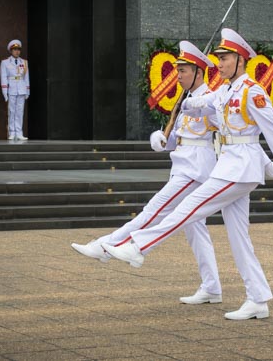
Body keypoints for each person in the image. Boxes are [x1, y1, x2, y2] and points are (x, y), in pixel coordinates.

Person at [104, 28, 273, 320]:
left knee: (189, 207)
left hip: (239, 167)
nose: (219, 64)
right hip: (230, 164)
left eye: (225, 58)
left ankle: (140, 246)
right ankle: (258, 298)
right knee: (238, 237)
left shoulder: (252, 91)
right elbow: (201, 104)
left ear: (241, 59)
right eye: (218, 58)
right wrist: (186, 103)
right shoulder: (225, 90)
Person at [72, 41, 239, 305]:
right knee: (196, 232)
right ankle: (212, 287)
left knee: (154, 211)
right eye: (178, 69)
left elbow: (231, 128)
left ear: (198, 72)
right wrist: (160, 139)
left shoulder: (210, 100)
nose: (179, 74)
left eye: (183, 70)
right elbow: (176, 138)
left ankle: (105, 246)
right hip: (182, 166)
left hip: (195, 171)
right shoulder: (183, 100)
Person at [0, 40, 30, 140]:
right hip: (11, 88)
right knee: (12, 111)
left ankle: (19, 132)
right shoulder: (5, 62)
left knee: (20, 111)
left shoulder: (24, 62)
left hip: (21, 88)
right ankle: (12, 132)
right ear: (11, 51)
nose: (17, 52)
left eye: (18, 50)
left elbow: (26, 77)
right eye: (14, 50)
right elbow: (3, 77)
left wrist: (27, 90)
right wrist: (5, 92)